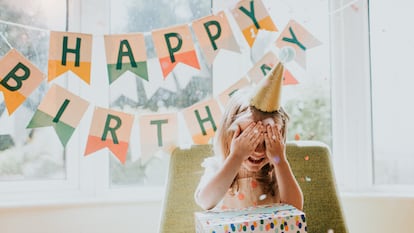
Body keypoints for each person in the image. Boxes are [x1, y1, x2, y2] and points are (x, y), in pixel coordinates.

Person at [194, 62, 303, 211]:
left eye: (267, 142)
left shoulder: (275, 173)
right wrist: (237, 156)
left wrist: (280, 161)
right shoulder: (217, 168)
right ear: (228, 135)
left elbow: (295, 210)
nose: (258, 150)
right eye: (249, 138)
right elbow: (206, 201)